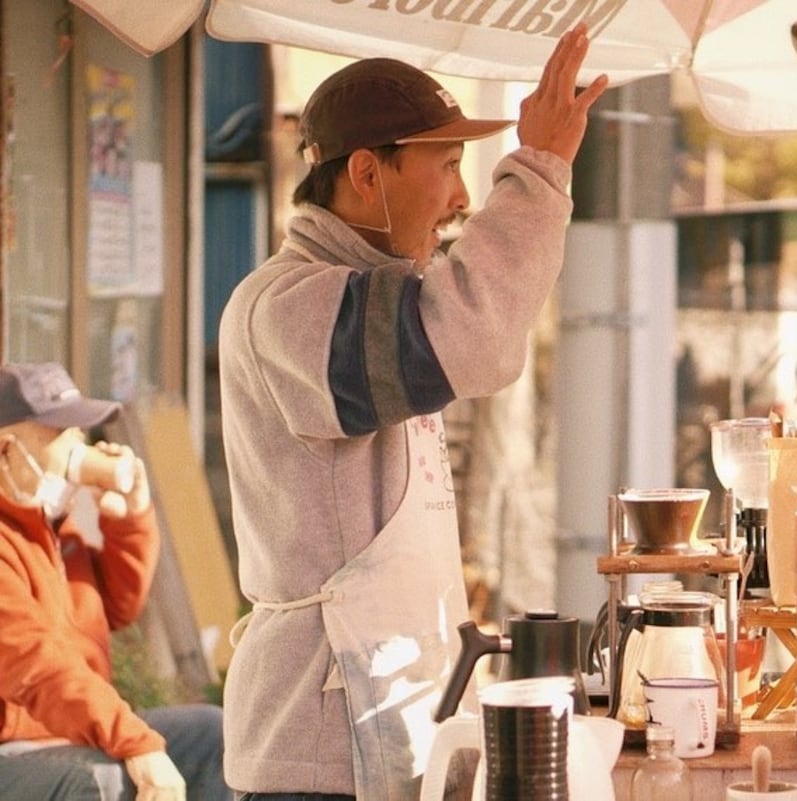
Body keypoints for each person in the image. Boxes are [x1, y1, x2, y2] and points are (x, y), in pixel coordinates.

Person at [217, 24, 608, 801]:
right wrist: (539, 169)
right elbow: (469, 336)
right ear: (368, 172)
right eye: (449, 164)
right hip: (319, 748)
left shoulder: (371, 286)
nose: (463, 197)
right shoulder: (289, 303)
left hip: (391, 727)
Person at [0, 362, 229, 800]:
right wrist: (135, 742)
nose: (77, 446)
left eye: (79, 431)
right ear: (7, 450)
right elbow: (36, 666)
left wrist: (130, 519)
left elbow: (117, 609)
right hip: (11, 749)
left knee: (211, 735)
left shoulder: (51, 527)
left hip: (64, 735)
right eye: (59, 432)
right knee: (103, 780)